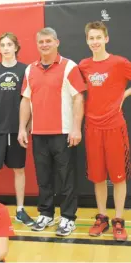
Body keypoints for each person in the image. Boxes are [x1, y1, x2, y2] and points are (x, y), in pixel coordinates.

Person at [18, 27, 86, 236]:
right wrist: (22, 128)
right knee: (44, 178)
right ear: (37, 45)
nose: (45, 45)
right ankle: (46, 213)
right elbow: (26, 100)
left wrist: (76, 128)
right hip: (38, 133)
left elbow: (78, 98)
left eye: (48, 41)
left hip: (64, 132)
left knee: (66, 178)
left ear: (57, 42)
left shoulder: (69, 67)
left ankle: (67, 218)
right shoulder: (30, 70)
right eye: (41, 42)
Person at [79, 21, 131, 241]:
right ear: (87, 40)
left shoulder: (119, 63)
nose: (95, 42)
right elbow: (76, 94)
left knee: (118, 177)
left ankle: (119, 220)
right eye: (91, 38)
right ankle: (102, 217)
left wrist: (124, 96)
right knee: (98, 177)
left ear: (106, 39)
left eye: (98, 37)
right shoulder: (83, 65)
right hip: (92, 127)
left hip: (114, 127)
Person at [0, 32, 34, 226]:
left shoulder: (26, 70)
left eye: (9, 44)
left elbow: (30, 101)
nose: (6, 48)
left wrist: (27, 126)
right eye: (2, 45)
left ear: (16, 47)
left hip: (17, 129)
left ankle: (20, 210)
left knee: (19, 169)